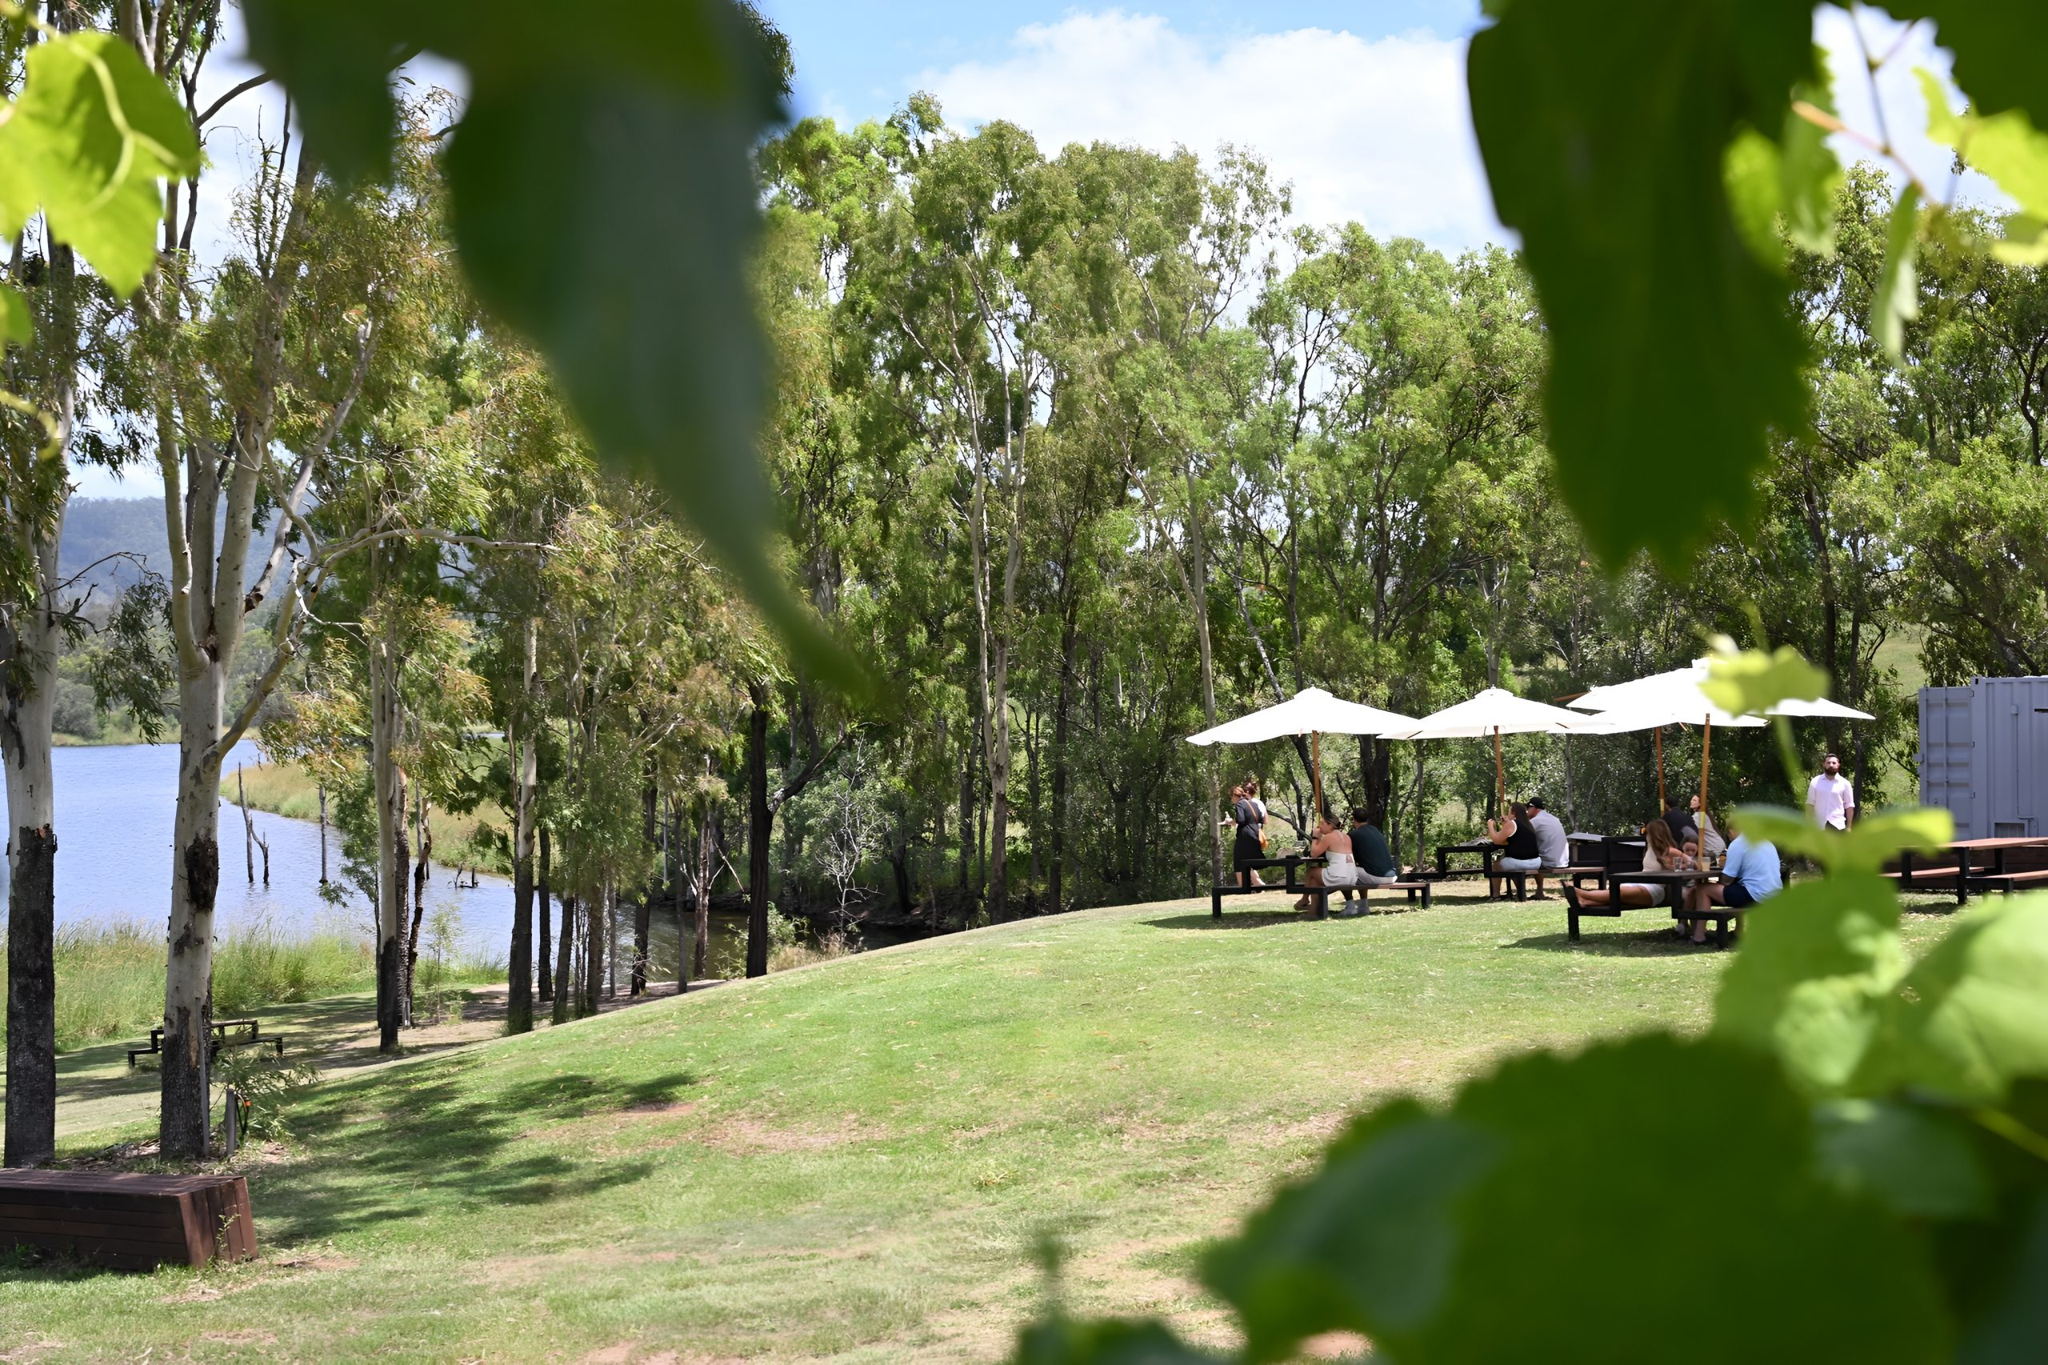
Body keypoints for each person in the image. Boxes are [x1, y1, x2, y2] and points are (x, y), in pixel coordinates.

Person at [1685, 815, 1782, 943]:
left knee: (1703, 889)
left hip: (1756, 895)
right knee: (1738, 887)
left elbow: (1727, 880)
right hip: (1775, 894)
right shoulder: (1765, 841)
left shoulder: (1738, 843)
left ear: (1732, 830)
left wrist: (1723, 871)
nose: (1729, 838)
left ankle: (1699, 936)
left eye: (1728, 835)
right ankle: (1739, 930)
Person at [1562, 818, 1693, 913]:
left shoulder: (1669, 850)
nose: (1644, 835)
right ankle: (1586, 900)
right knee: (1619, 890)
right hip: (1640, 883)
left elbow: (1692, 863)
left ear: (1654, 834)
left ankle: (1582, 893)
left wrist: (1681, 867)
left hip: (1654, 890)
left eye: (1646, 832)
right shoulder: (1649, 849)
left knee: (1621, 892)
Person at [1340, 807, 1402, 907]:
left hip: (1376, 876)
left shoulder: (1353, 835)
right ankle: (1364, 906)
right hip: (1392, 875)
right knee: (1359, 872)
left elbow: (1345, 855)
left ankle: (1350, 906)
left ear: (1354, 820)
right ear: (1367, 819)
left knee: (1343, 872)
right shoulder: (1376, 831)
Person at [1297, 810, 1357, 911]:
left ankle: (1304, 899)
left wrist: (1315, 837)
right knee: (1313, 881)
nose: (1319, 826)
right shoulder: (1346, 837)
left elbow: (1314, 854)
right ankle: (1315, 910)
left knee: (1311, 871)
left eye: (1322, 823)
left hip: (1338, 876)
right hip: (1352, 876)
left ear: (1330, 825)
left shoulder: (1329, 837)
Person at [1486, 802, 1543, 898]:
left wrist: (1490, 826)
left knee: (1495, 860)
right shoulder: (1529, 824)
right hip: (1536, 862)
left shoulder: (1512, 824)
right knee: (1508, 863)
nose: (1507, 815)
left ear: (1513, 813)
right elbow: (1511, 840)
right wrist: (1505, 824)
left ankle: (1496, 895)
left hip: (1520, 862)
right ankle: (1520, 892)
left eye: (1509, 812)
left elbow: (1496, 840)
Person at [1524, 796, 1569, 900]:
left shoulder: (1536, 821)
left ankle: (1520, 893)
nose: (1526, 811)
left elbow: (1519, 837)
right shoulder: (1554, 818)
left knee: (1511, 863)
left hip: (1550, 862)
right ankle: (1539, 892)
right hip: (1563, 860)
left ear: (1534, 808)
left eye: (1528, 808)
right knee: (1534, 856)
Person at [1228, 784, 1267, 886]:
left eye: (1231, 797)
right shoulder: (1253, 804)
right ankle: (1258, 883)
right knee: (1248, 861)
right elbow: (1261, 818)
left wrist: (1231, 821)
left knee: (1238, 861)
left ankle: (1243, 888)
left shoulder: (1240, 804)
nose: (1231, 800)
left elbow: (1241, 820)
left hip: (1244, 835)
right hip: (1255, 833)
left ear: (1235, 796)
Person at [1806, 753, 1855, 830]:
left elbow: (1849, 806)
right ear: (1824, 764)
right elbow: (1810, 804)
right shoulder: (1815, 782)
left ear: (1838, 765)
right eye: (1828, 763)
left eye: (1834, 763)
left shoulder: (1845, 783)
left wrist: (1849, 827)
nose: (1831, 765)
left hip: (1838, 826)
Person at [1690, 793, 1727, 860]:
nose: (1691, 801)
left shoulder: (1699, 816)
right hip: (1718, 844)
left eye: (1694, 800)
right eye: (1691, 800)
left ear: (1700, 804)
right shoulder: (1704, 814)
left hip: (1713, 847)